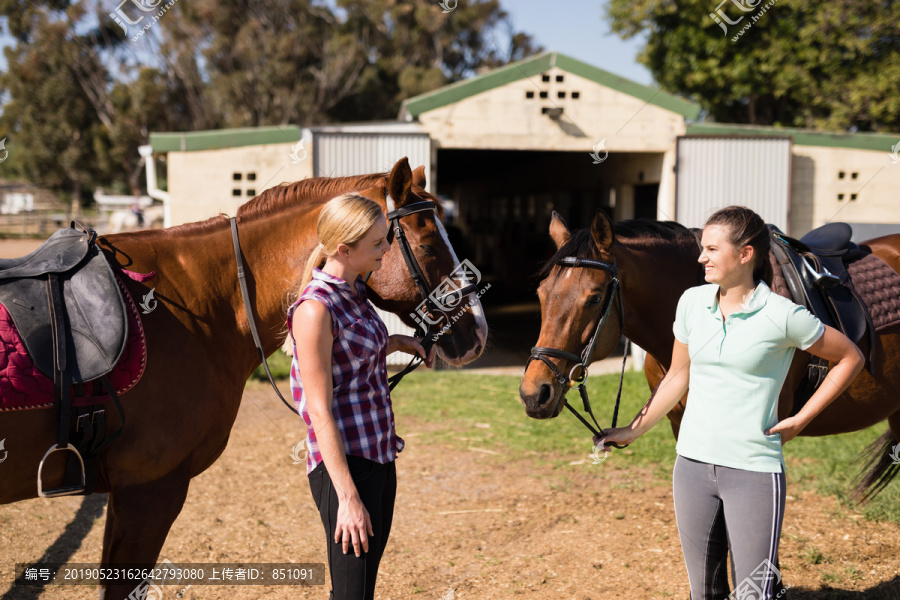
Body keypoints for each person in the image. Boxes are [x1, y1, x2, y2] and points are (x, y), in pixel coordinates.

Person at [596, 206, 865, 600]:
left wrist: (802, 418)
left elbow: (850, 357)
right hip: (691, 467)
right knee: (703, 592)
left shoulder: (782, 315)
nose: (701, 257)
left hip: (754, 472)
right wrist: (633, 430)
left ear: (745, 254)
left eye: (711, 248)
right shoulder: (691, 302)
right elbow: (677, 374)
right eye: (701, 248)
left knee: (755, 593)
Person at [286, 193, 434, 600]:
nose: (387, 249)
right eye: (377, 243)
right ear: (343, 249)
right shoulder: (315, 310)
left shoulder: (354, 290)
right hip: (345, 468)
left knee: (361, 590)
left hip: (379, 456)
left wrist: (400, 342)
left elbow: (349, 355)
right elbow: (320, 411)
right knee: (351, 594)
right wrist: (348, 498)